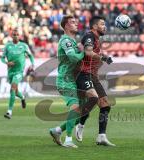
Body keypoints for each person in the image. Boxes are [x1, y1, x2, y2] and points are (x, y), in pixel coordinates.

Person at [75, 16, 115, 146]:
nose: (105, 26)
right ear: (94, 26)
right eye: (102, 24)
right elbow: (88, 52)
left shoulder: (96, 39)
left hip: (93, 75)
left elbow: (93, 52)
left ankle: (101, 137)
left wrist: (104, 57)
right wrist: (103, 58)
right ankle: (80, 125)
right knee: (93, 99)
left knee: (105, 105)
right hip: (84, 74)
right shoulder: (89, 36)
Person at [49, 15, 84, 148]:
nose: (76, 24)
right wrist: (84, 53)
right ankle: (68, 140)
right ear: (66, 26)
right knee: (75, 107)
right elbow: (73, 58)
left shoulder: (73, 42)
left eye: (76, 21)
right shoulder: (65, 41)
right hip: (65, 79)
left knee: (81, 112)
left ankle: (57, 131)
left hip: (74, 80)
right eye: (73, 22)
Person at [1, 28, 35, 119]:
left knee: (12, 89)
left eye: (17, 34)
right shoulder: (7, 46)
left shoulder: (24, 45)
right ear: (11, 36)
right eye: (14, 34)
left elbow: (31, 56)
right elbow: (2, 58)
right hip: (10, 72)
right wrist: (7, 63)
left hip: (19, 72)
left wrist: (32, 64)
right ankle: (23, 97)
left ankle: (9, 112)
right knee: (15, 92)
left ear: (19, 36)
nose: (15, 36)